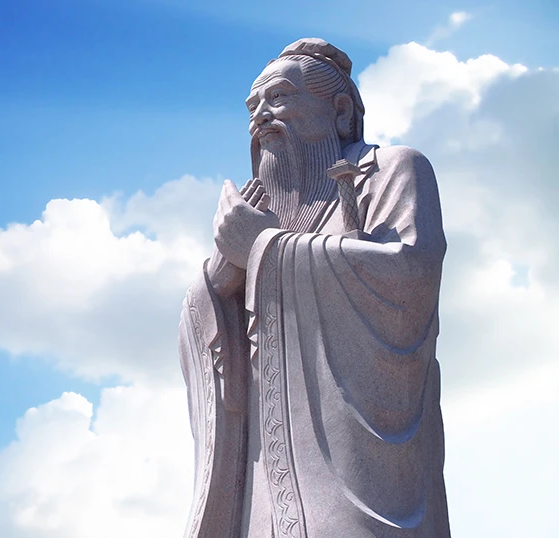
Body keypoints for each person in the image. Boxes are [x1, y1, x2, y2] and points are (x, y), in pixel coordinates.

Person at [179, 38, 451, 538]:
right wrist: (217, 285)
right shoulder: (263, 204)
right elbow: (215, 325)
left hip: (357, 461)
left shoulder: (391, 170)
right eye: (252, 107)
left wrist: (264, 248)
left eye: (279, 97)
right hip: (267, 458)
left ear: (341, 112)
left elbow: (409, 274)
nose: (261, 116)